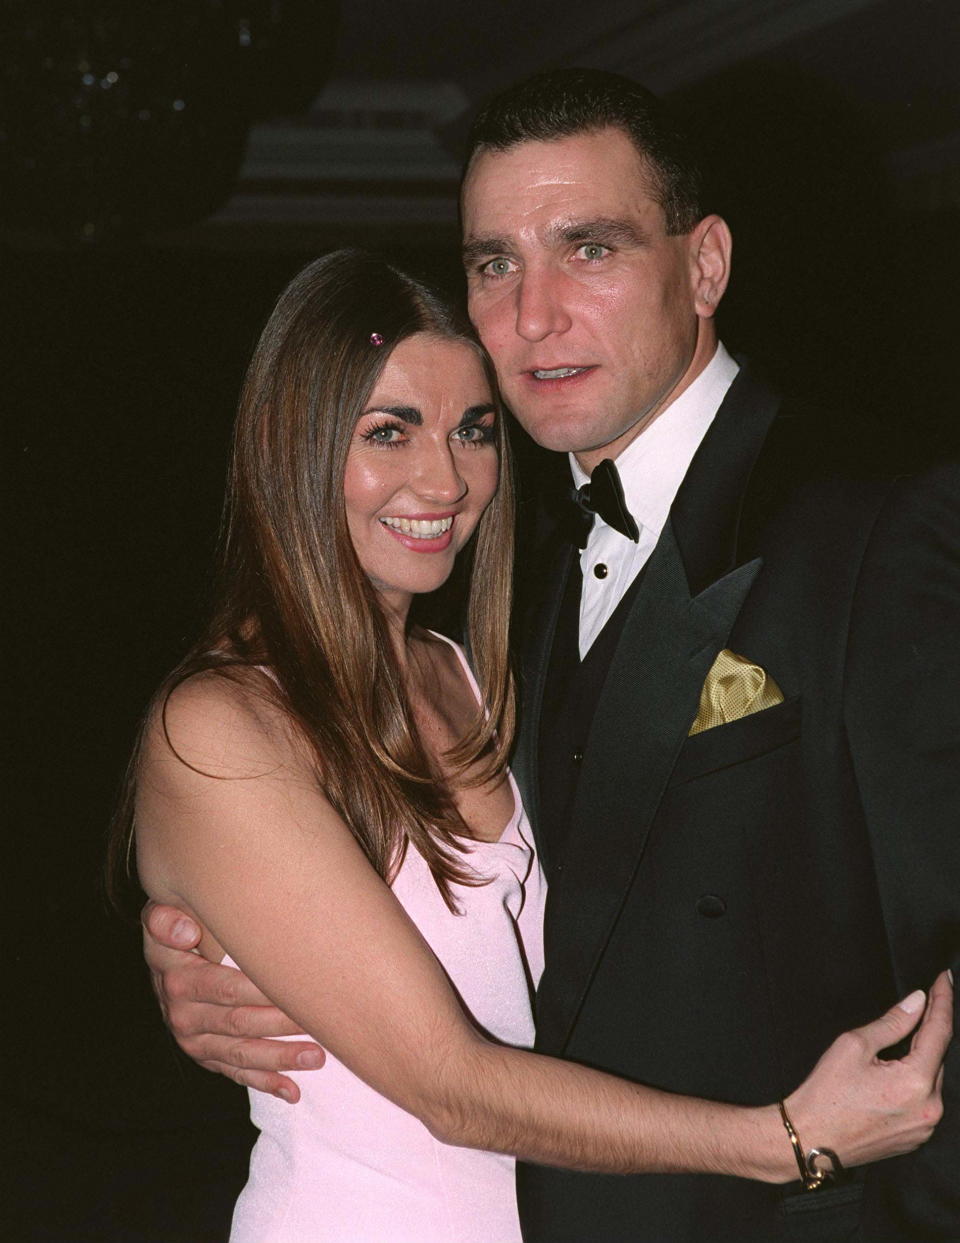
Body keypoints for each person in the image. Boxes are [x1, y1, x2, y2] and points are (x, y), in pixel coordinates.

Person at [142, 71, 960, 1242]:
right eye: (494, 264)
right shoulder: (487, 568)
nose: (532, 316)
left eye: (588, 248)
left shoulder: (882, 521)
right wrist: (216, 928)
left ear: (706, 265)